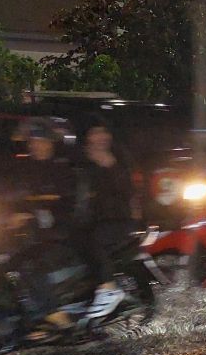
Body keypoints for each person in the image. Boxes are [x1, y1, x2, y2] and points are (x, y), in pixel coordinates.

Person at [8, 119, 79, 340]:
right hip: (33, 230)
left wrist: (33, 211)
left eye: (40, 141)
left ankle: (51, 313)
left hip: (60, 230)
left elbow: (63, 199)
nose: (35, 145)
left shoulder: (61, 167)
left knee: (30, 263)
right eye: (32, 141)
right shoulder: (25, 167)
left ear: (50, 143)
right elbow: (13, 193)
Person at [73, 123, 138, 318]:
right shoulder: (81, 159)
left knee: (95, 239)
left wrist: (110, 166)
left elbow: (129, 192)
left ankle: (108, 288)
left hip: (119, 219)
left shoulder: (119, 158)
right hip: (90, 218)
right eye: (95, 132)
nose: (101, 137)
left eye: (104, 131)